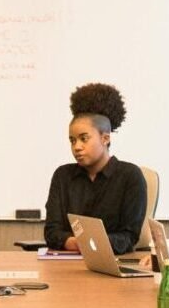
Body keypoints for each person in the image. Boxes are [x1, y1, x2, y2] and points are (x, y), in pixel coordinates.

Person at [44, 83, 147, 255]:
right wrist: (74, 243)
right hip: (68, 263)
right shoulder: (63, 176)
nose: (77, 147)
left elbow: (129, 236)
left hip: (112, 261)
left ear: (105, 138)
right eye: (72, 140)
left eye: (84, 139)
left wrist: (89, 243)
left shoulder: (130, 176)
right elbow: (52, 231)